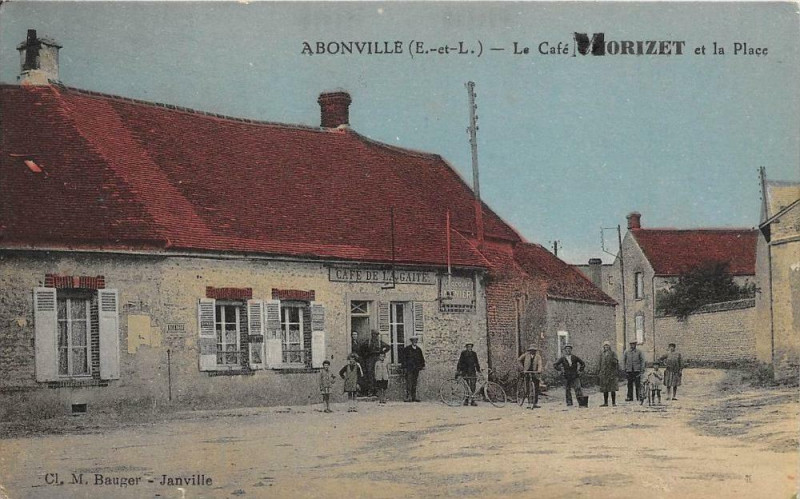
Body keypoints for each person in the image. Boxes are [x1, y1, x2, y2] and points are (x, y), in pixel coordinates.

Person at [365, 330, 390, 396]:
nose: (375, 336)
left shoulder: (379, 342)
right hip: (370, 359)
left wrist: (382, 352)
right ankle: (370, 390)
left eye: (376, 335)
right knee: (370, 374)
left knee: (378, 374)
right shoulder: (368, 342)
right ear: (371, 335)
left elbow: (388, 347)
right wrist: (366, 355)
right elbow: (362, 349)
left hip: (377, 358)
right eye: (374, 334)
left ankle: (377, 391)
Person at [517, 344, 543, 409]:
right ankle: (529, 403)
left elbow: (540, 364)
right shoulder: (526, 355)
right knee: (527, 388)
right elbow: (519, 360)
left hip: (534, 373)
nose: (533, 351)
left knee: (536, 388)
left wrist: (539, 370)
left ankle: (535, 403)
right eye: (531, 350)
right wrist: (522, 368)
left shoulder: (538, 356)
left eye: (534, 350)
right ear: (529, 350)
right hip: (527, 372)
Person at [402, 336, 425, 402]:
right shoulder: (407, 349)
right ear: (411, 341)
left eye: (416, 341)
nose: (415, 342)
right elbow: (403, 359)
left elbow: (421, 358)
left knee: (414, 383)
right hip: (409, 369)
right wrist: (404, 367)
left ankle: (414, 397)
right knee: (409, 383)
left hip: (416, 369)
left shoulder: (418, 350)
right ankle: (408, 397)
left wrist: (422, 365)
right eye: (413, 341)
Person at [596, 340, 619, 407]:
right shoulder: (602, 354)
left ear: (609, 346)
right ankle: (605, 402)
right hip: (604, 373)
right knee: (605, 388)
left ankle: (613, 402)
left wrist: (613, 361)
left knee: (612, 388)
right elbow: (599, 363)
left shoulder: (613, 353)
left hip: (611, 373)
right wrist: (599, 371)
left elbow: (616, 362)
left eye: (607, 345)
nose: (606, 347)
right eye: (605, 346)